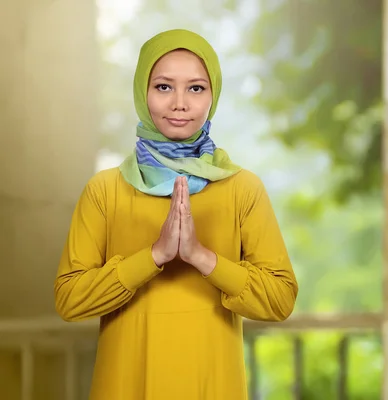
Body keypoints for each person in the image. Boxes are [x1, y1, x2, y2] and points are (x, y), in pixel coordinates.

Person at [54, 28, 298, 399]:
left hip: (212, 386)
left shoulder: (242, 188)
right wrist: (154, 256)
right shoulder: (105, 190)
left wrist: (202, 257)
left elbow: (280, 299)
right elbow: (70, 300)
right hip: (126, 386)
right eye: (164, 87)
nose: (179, 103)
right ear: (142, 92)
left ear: (213, 95)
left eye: (196, 88)